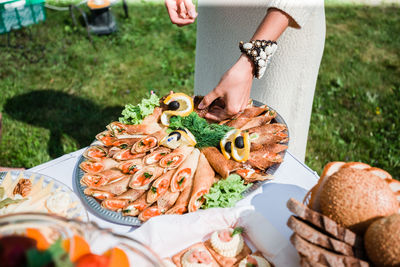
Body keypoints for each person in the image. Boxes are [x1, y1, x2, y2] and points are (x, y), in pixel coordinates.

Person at [165, 0, 325, 162]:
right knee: (202, 142)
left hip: (280, 25)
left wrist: (252, 58)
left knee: (266, 153)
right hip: (215, 24)